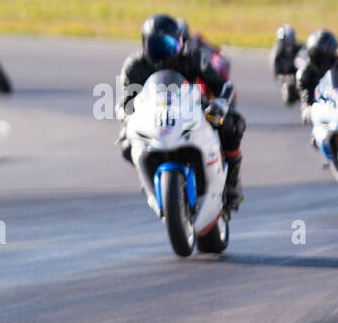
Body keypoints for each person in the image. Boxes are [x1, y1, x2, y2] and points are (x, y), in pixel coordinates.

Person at [117, 13, 245, 206]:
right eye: (155, 46)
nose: (162, 54)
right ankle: (149, 181)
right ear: (144, 44)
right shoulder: (134, 66)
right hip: (153, 116)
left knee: (232, 125)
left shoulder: (193, 57)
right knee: (126, 144)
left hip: (192, 110)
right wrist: (127, 118)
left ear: (180, 42)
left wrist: (220, 103)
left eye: (169, 46)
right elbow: (126, 102)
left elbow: (223, 85)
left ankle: (232, 181)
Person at [296, 29, 338, 123]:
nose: (323, 64)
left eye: (326, 58)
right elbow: (306, 98)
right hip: (324, 108)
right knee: (317, 134)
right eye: (318, 58)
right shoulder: (305, 73)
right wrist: (307, 109)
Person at [271, 24, 303, 105]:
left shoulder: (300, 49)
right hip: (290, 80)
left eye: (290, 40)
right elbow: (278, 76)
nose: (289, 43)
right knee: (289, 93)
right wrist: (290, 79)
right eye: (286, 41)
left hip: (302, 75)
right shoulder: (277, 55)